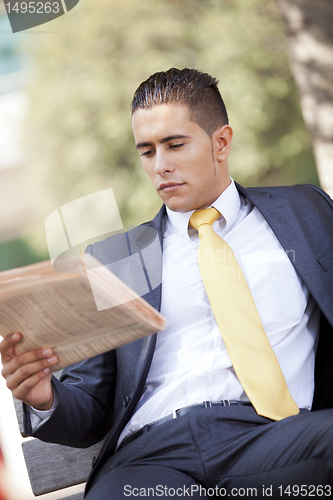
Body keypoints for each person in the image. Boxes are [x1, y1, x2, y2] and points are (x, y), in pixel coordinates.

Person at [1, 68, 333, 499]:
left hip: (274, 440)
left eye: (174, 144)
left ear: (221, 142)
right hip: (152, 460)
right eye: (147, 151)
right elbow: (91, 411)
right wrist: (45, 396)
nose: (161, 166)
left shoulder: (303, 213)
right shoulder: (115, 261)